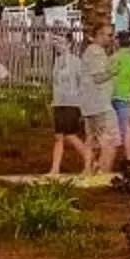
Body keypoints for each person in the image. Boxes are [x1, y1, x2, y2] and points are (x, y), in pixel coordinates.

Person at [49, 30, 103, 178]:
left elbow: (84, 83)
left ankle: (91, 160)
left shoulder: (75, 62)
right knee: (59, 137)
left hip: (72, 103)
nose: (58, 46)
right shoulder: (57, 62)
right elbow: (55, 83)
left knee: (70, 135)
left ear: (69, 43)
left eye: (60, 42)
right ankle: (54, 169)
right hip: (58, 103)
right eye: (56, 43)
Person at [105, 32, 130, 173]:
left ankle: (105, 162)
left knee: (109, 131)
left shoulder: (110, 59)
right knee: (125, 131)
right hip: (124, 99)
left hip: (109, 99)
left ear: (117, 43)